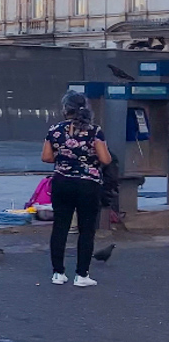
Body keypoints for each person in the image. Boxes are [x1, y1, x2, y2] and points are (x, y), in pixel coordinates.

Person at [42, 91, 111, 287]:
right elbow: (105, 159)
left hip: (62, 183)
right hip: (88, 185)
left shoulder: (55, 130)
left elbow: (46, 157)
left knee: (60, 227)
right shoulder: (95, 131)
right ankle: (82, 275)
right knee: (86, 230)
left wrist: (66, 157)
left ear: (65, 109)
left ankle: (58, 273)